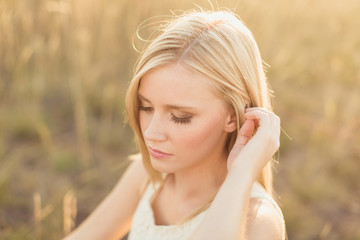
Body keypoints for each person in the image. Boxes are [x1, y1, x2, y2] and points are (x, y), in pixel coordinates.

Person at [65, 9, 286, 240]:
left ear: (233, 117)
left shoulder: (258, 220)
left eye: (180, 117)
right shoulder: (147, 176)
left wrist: (242, 172)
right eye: (146, 107)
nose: (151, 133)